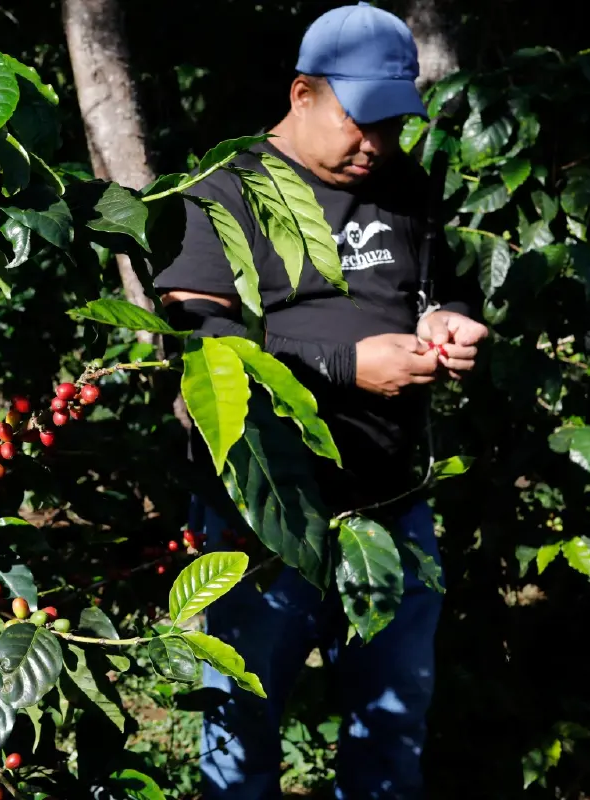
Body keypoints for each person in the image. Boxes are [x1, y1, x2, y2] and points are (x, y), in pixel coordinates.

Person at [152, 3, 489, 798]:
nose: (376, 144)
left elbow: (439, 292)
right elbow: (197, 344)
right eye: (359, 120)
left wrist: (450, 325)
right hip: (264, 515)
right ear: (302, 93)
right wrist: (345, 366)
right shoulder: (223, 190)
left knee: (392, 722)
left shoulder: (404, 186)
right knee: (242, 727)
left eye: (392, 124)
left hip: (393, 508)